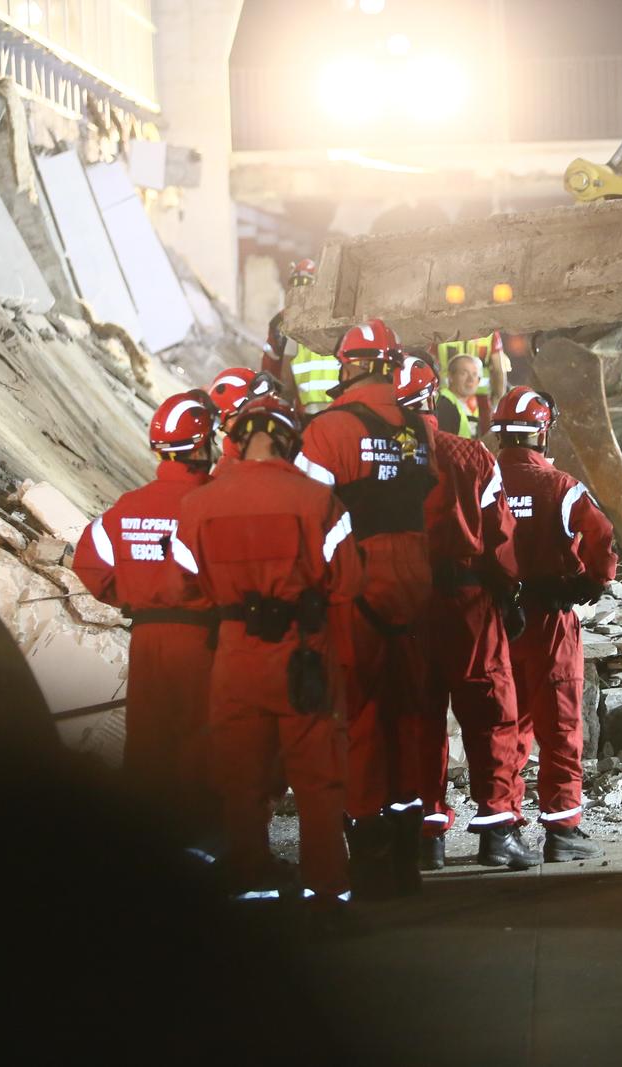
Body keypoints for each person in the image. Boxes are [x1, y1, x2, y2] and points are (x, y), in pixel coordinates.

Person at [177, 395, 359, 919]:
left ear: (234, 439)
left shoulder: (197, 505)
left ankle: (249, 882)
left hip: (234, 654)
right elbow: (348, 581)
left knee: (240, 777)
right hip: (301, 654)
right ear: (289, 439)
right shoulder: (318, 501)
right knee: (317, 779)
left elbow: (185, 583)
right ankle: (327, 895)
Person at [296, 319, 436, 898]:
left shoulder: (327, 430)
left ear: (348, 364)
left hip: (358, 578)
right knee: (409, 713)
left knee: (357, 714)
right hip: (416, 581)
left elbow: (305, 514)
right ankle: (409, 845)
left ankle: (370, 842)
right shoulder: (419, 429)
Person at [393, 355, 541, 873]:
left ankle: (426, 835)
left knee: (420, 718)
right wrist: (508, 595)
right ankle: (498, 832)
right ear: (433, 398)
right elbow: (500, 537)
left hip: (406, 606)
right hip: (469, 605)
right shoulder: (472, 455)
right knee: (490, 713)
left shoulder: (385, 460)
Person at [72, 391, 221, 842]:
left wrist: (132, 596)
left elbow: (90, 563)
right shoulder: (214, 503)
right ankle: (202, 850)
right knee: (200, 741)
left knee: (148, 742)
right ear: (202, 446)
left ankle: (146, 848)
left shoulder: (127, 507)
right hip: (202, 639)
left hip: (147, 637)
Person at [494, 386, 616, 861]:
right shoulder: (561, 486)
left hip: (497, 622)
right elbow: (602, 535)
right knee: (561, 725)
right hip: (549, 621)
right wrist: (592, 580)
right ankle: (562, 830)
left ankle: (502, 829)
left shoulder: (480, 476)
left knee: (506, 726)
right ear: (542, 432)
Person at [266, 260, 337, 416]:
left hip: (307, 409)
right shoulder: (336, 315)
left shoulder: (291, 321)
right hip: (338, 407)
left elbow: (279, 369)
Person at [435, 351, 485, 439]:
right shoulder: (444, 404)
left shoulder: (467, 405)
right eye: (464, 373)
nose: (471, 379)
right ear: (450, 377)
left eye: (474, 374)